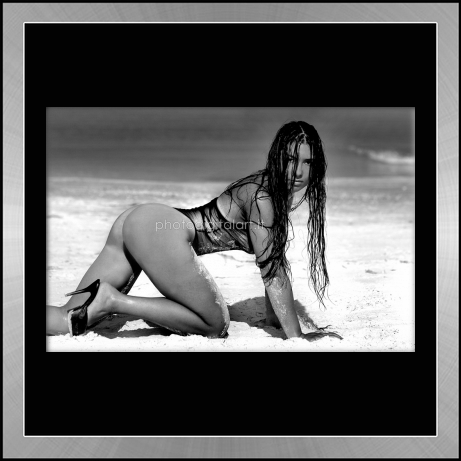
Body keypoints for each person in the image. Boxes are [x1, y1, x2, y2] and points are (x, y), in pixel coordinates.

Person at [46, 121, 342, 342]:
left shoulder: (268, 190)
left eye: (307, 162)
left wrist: (273, 318)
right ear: (277, 156)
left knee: (68, 319)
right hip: (161, 229)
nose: (299, 171)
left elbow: (271, 259)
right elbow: (273, 271)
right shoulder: (263, 198)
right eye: (290, 159)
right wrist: (296, 337)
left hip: (143, 221)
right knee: (215, 324)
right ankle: (112, 300)